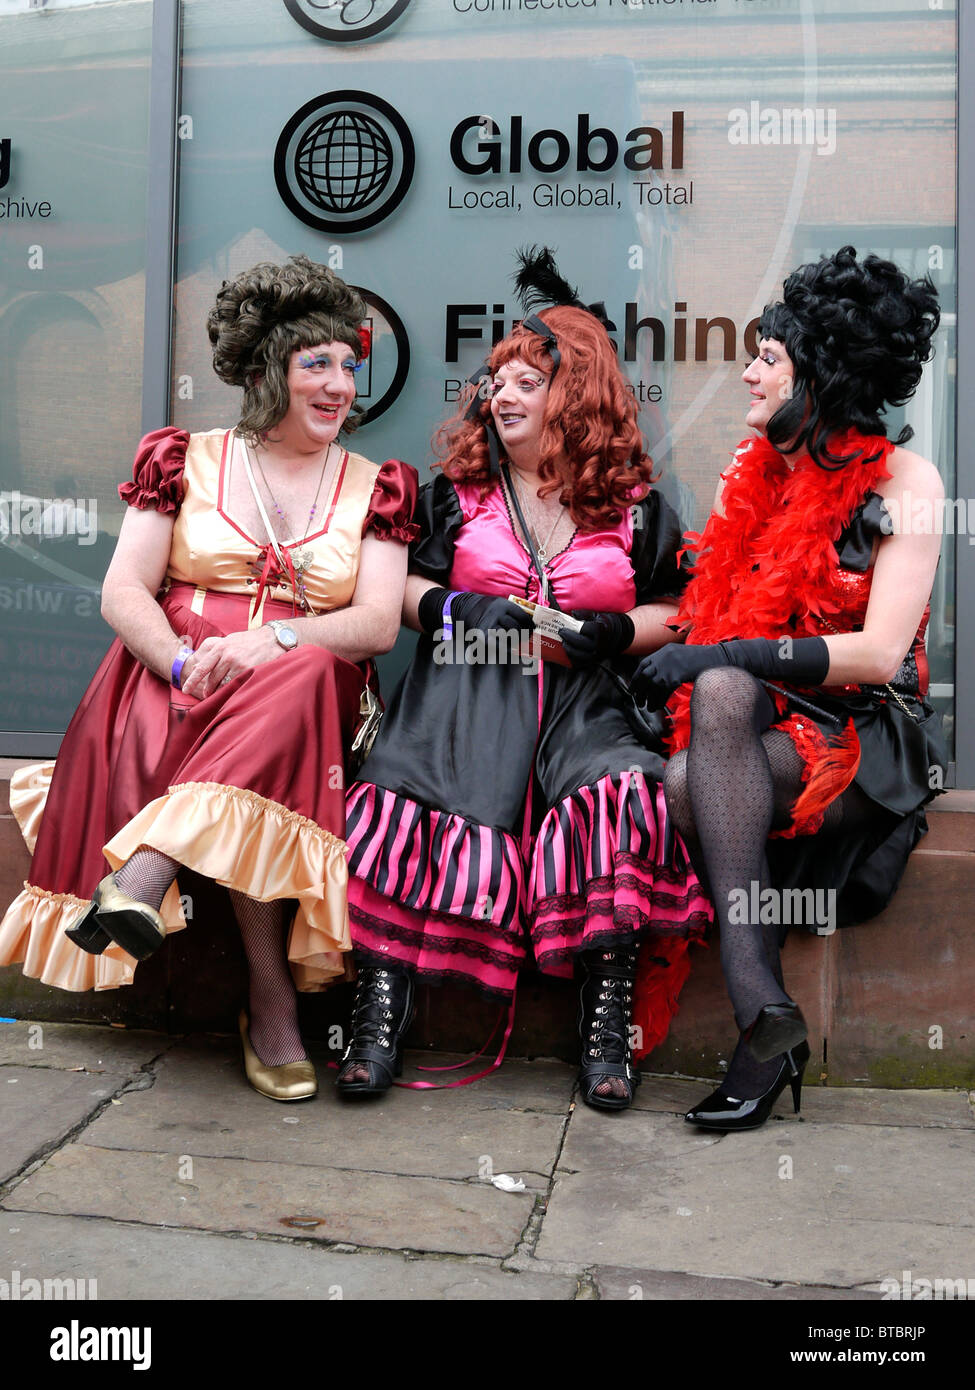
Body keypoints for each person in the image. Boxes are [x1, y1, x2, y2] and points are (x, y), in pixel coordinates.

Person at [0, 254, 418, 1102]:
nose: (341, 384)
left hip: (305, 695)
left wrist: (275, 640)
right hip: (168, 682)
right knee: (256, 740)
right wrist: (187, 661)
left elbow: (374, 624)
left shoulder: (379, 486)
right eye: (317, 365)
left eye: (348, 364)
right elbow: (123, 593)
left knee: (297, 682)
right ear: (268, 371)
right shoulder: (183, 459)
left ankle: (145, 878)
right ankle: (270, 1005)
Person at [336, 251, 712, 1110]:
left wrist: (618, 631)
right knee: (402, 797)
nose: (498, 395)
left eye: (522, 383)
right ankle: (376, 1017)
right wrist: (458, 613)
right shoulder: (458, 492)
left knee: (623, 792)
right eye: (493, 381)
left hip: (585, 699)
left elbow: (680, 607)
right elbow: (399, 593)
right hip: (467, 688)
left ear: (573, 395)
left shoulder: (636, 503)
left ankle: (604, 1021)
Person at [632, 245, 946, 1130]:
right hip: (761, 732)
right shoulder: (759, 480)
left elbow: (879, 656)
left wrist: (721, 655)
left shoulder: (908, 487)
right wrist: (662, 644)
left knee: (695, 772)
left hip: (863, 741)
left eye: (767, 356)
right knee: (719, 708)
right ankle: (763, 1015)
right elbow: (713, 636)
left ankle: (756, 1006)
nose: (745, 373)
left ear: (823, 369)